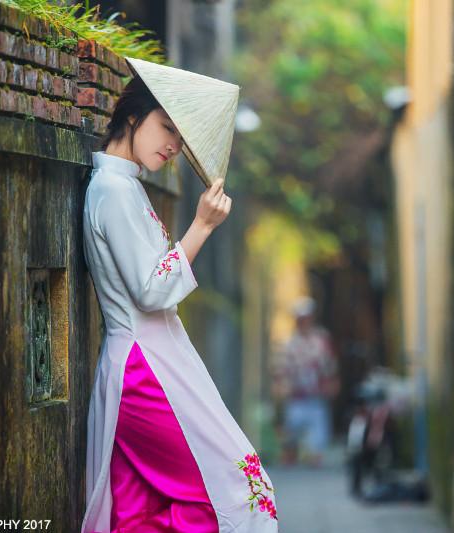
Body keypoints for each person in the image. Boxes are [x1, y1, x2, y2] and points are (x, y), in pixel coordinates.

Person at [81, 59, 278, 533]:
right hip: (145, 370)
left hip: (154, 363)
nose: (172, 145)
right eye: (166, 127)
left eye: (179, 136)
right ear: (133, 117)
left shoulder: (125, 186)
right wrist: (202, 226)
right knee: (238, 494)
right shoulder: (112, 190)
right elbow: (151, 291)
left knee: (141, 510)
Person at [273, 297, 339, 467]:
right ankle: (291, 452)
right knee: (292, 428)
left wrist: (332, 383)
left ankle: (314, 455)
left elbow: (329, 364)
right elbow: (282, 368)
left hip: (316, 396)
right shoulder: (290, 344)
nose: (303, 322)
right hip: (296, 396)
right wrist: (280, 385)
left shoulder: (321, 340)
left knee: (317, 433)